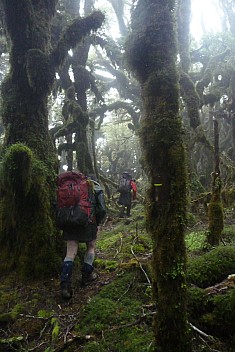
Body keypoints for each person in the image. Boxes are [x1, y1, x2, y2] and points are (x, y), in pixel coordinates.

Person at [59, 174, 106, 300]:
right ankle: (87, 274)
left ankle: (64, 284)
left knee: (70, 253)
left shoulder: (69, 186)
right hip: (88, 222)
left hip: (69, 222)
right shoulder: (95, 186)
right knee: (90, 247)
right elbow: (102, 209)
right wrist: (97, 222)